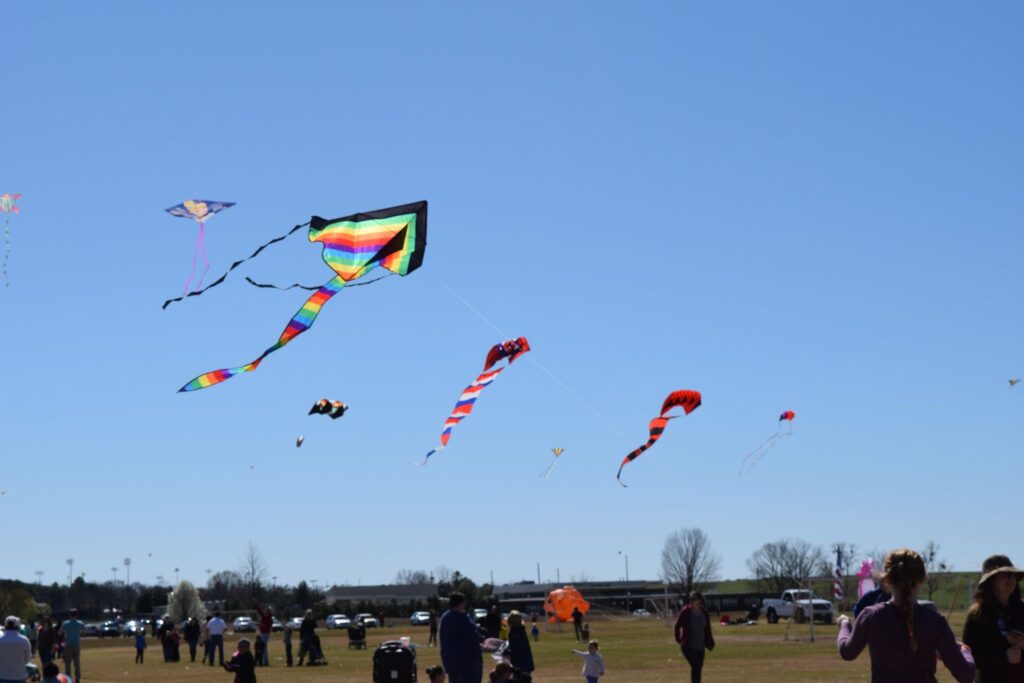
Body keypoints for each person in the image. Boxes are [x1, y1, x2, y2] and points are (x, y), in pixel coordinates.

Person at [838, 547, 975, 683]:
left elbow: (847, 652)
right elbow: (966, 675)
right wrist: (965, 651)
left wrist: (845, 624)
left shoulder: (871, 616)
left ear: (887, 579)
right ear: (922, 579)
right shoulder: (934, 622)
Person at [962, 554, 1024, 682]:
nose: (1010, 579)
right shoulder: (976, 616)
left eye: (1012, 575)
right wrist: (1004, 657)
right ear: (991, 581)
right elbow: (971, 657)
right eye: (1004, 575)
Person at [440, 592, 484, 683]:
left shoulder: (445, 617)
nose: (465, 606)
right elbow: (473, 636)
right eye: (464, 603)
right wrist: (483, 639)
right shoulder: (461, 618)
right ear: (460, 604)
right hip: (467, 662)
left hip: (451, 661)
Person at [674, 591, 715, 683]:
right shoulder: (686, 611)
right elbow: (677, 626)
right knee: (696, 667)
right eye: (690, 599)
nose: (691, 601)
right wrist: (679, 639)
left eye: (693, 599)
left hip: (700, 647)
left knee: (698, 669)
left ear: (699, 601)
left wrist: (710, 641)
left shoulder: (704, 612)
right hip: (688, 646)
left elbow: (707, 629)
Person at [0, 616, 32, 683]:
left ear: (5, 626)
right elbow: (28, 659)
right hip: (19, 675)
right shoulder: (24, 640)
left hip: (3, 675)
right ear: (17, 626)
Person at [58, 608, 86, 683]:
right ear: (77, 615)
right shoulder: (80, 623)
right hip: (76, 645)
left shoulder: (66, 623)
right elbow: (84, 632)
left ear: (70, 615)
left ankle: (68, 678)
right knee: (77, 662)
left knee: (68, 663)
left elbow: (59, 633)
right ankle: (77, 678)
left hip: (68, 645)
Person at [505, 611, 534, 676]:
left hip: (518, 663)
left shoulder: (513, 632)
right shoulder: (522, 630)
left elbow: (514, 648)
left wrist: (506, 652)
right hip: (527, 663)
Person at [253, 599, 272, 666]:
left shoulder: (269, 618)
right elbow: (259, 611)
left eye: (266, 611)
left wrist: (259, 624)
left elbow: (266, 627)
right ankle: (263, 661)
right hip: (262, 633)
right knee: (262, 648)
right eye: (265, 611)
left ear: (268, 612)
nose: (265, 611)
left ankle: (265, 662)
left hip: (266, 634)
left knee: (263, 648)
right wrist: (256, 603)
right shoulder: (264, 616)